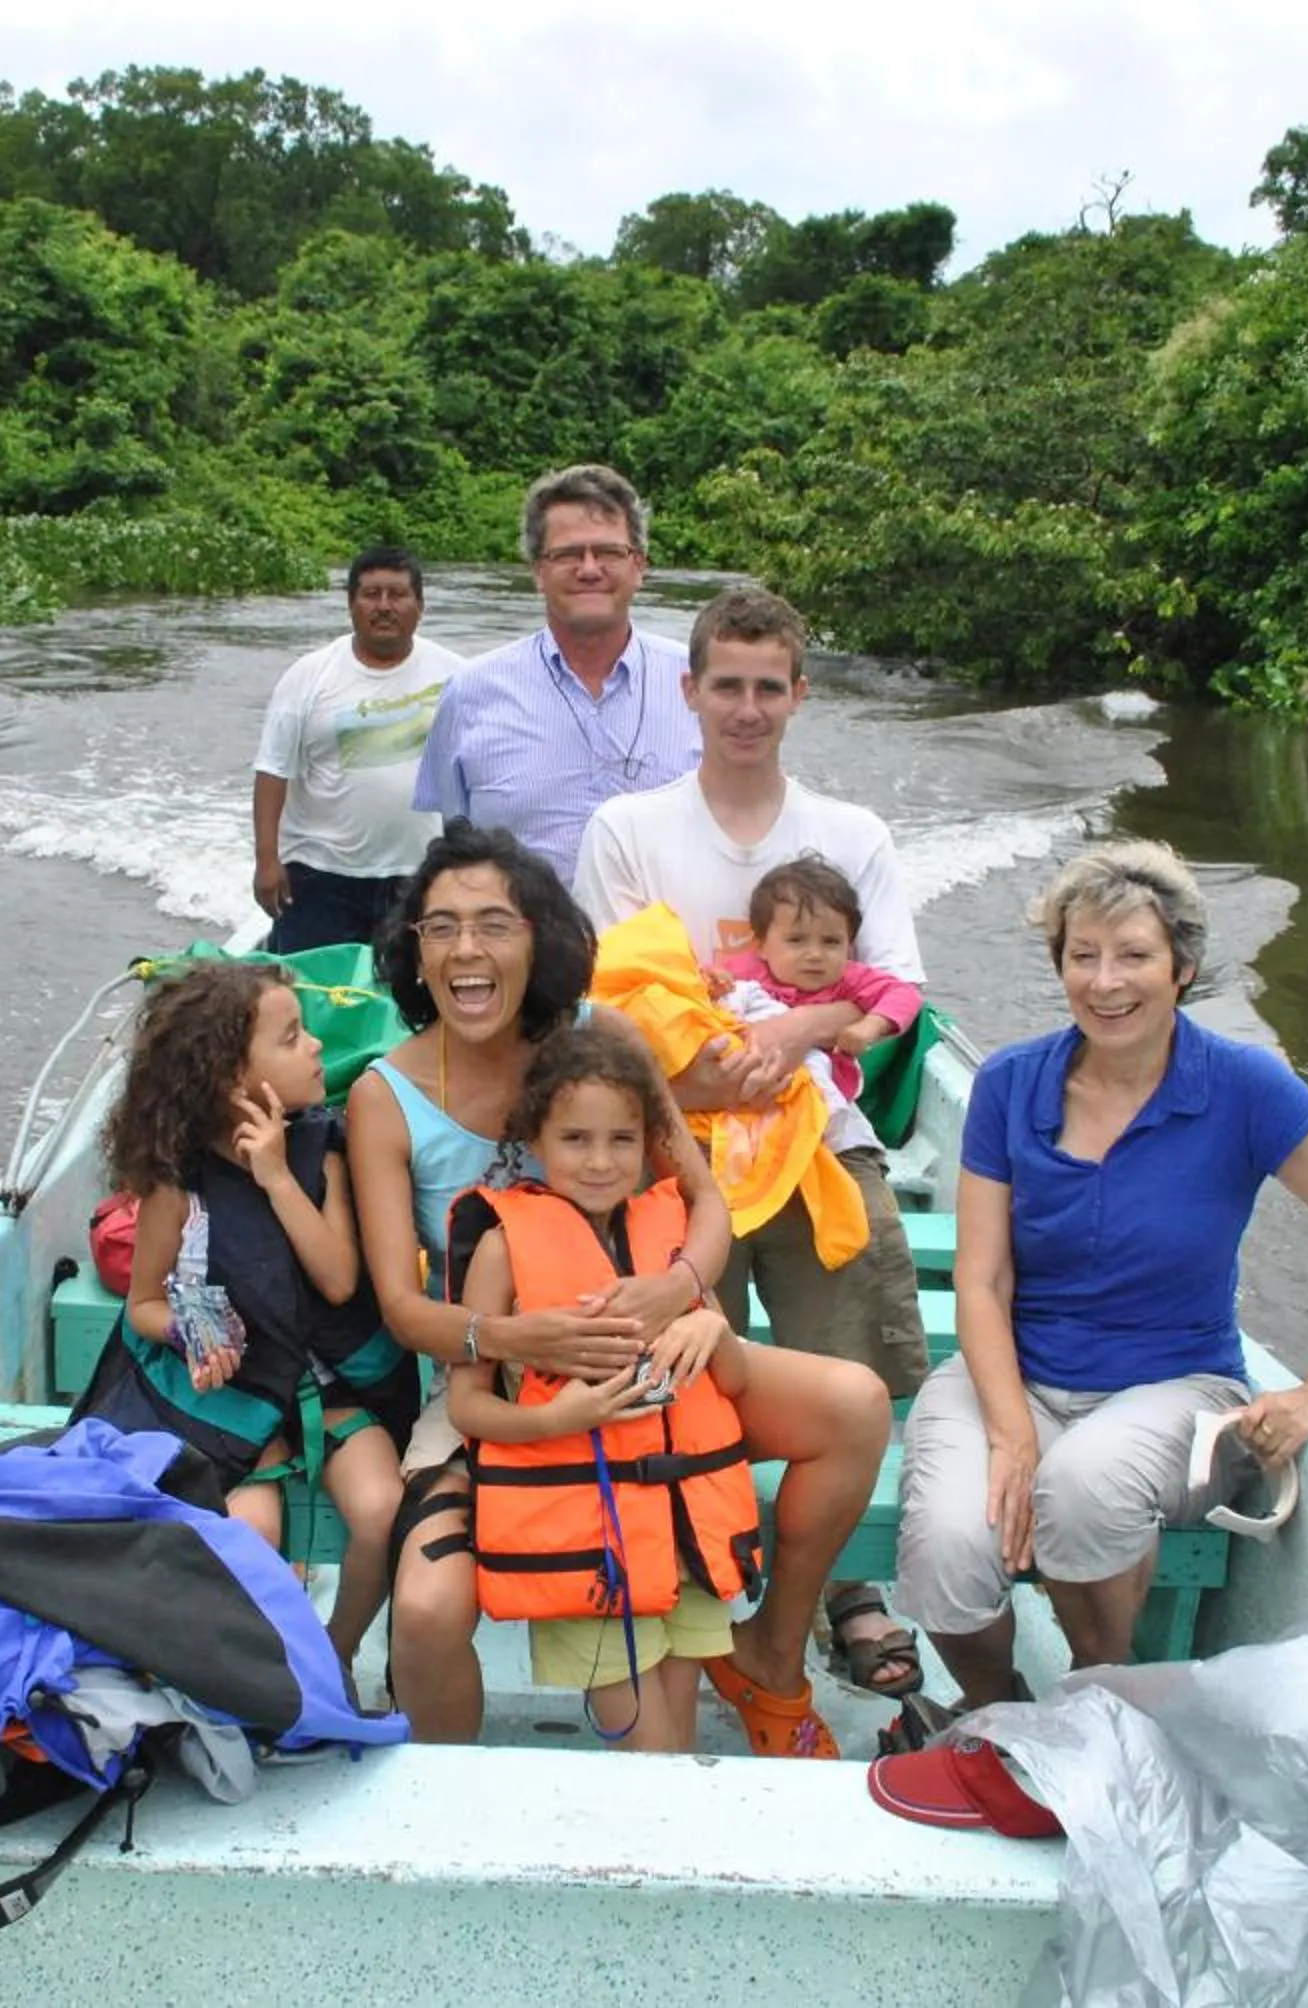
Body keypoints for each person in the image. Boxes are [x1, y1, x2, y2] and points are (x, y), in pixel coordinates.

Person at [346, 819, 889, 1758]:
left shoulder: (607, 1038)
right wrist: (524, 1341)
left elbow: (707, 1205)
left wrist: (675, 1290)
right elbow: (403, 1306)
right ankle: (437, 1802)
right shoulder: (385, 1096)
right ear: (413, 952)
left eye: (493, 924)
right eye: (439, 928)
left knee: (856, 1407)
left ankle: (767, 1651)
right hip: (508, 1389)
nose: (465, 950)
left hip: (665, 1357)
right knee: (430, 1609)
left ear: (540, 938)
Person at [895, 840, 1308, 1701]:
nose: (1106, 982)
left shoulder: (1244, 1085)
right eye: (1084, 956)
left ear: (1181, 966)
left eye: (1135, 955)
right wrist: (1009, 1431)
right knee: (950, 1543)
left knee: (1083, 1488)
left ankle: (1098, 1691)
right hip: (1014, 1376)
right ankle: (995, 1706)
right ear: (1060, 964)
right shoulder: (1008, 1083)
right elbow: (982, 1281)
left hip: (1178, 1387)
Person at [573, 585, 933, 1697]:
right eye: (724, 683)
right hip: (674, 1142)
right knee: (677, 1369)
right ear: (688, 690)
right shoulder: (629, 830)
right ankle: (692, 1571)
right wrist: (697, 1075)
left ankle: (835, 1597)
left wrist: (801, 1025)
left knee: (846, 1374)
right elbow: (605, 1005)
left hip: (822, 1136)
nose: (746, 706)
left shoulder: (851, 836)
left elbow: (902, 988)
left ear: (799, 695)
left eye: (767, 686)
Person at [69, 959, 414, 1667]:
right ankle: (258, 1665)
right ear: (232, 1079)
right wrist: (188, 1330)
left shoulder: (324, 1151)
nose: (316, 1046)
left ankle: (335, 1656)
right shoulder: (177, 1182)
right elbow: (142, 1304)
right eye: (292, 1038)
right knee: (250, 1526)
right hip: (237, 1391)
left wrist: (280, 1177)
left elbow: (340, 1280)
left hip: (328, 1383)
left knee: (381, 1510)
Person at [445, 1028, 760, 1752]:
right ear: (536, 1137)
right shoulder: (502, 1245)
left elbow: (733, 1383)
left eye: (622, 1140)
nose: (599, 1161)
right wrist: (565, 1414)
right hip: (590, 1549)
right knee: (650, 1755)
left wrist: (713, 1332)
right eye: (575, 1138)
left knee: (676, 1739)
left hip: (684, 1537)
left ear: (650, 1140)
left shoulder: (671, 1237)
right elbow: (469, 1405)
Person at [411, 466, 702, 881]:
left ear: (639, 565)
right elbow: (456, 845)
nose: (588, 569)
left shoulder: (701, 684)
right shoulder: (471, 692)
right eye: (567, 554)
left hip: (667, 941)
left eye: (608, 553)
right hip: (526, 940)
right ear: (537, 572)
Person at [253, 547, 465, 952]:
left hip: (419, 871)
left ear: (420, 605)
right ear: (351, 604)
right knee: (316, 995)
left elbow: (477, 770)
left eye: (397, 594)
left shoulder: (456, 674)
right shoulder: (309, 675)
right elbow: (272, 771)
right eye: (371, 594)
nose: (384, 606)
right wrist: (266, 861)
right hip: (319, 873)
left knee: (409, 1000)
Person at [713, 856, 923, 1105]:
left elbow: (905, 995)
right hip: (752, 1087)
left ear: (849, 944)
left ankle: (852, 1145)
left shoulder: (850, 978)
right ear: (762, 946)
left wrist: (870, 1026)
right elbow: (694, 985)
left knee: (847, 1129)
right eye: (796, 940)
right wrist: (713, 979)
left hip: (824, 1096)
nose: (815, 954)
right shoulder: (746, 969)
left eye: (831, 942)